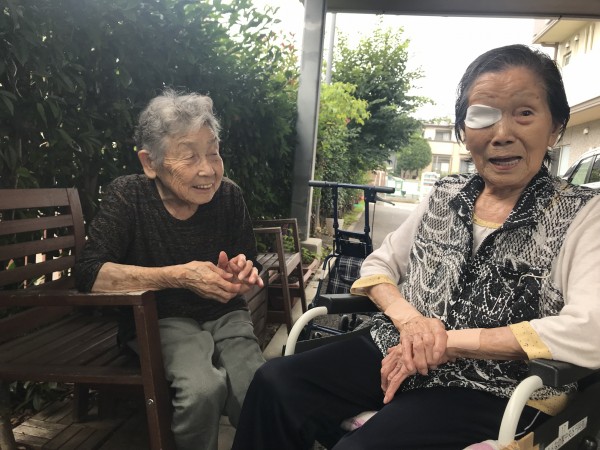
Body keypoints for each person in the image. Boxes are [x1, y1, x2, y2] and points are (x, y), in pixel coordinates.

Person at [232, 44, 600, 450]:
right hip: (395, 349)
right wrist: (410, 322)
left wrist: (448, 342)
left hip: (494, 385)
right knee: (274, 383)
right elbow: (379, 265)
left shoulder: (583, 214)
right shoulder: (445, 193)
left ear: (555, 127)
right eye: (483, 116)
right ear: (464, 131)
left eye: (524, 113)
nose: (501, 134)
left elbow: (591, 328)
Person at [74, 89, 266, 450]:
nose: (208, 169)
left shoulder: (229, 196)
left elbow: (250, 260)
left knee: (257, 387)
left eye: (213, 152)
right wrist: (179, 276)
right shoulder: (128, 196)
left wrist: (243, 272)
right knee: (203, 390)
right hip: (158, 318)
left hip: (226, 314)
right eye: (190, 156)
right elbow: (89, 273)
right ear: (150, 162)